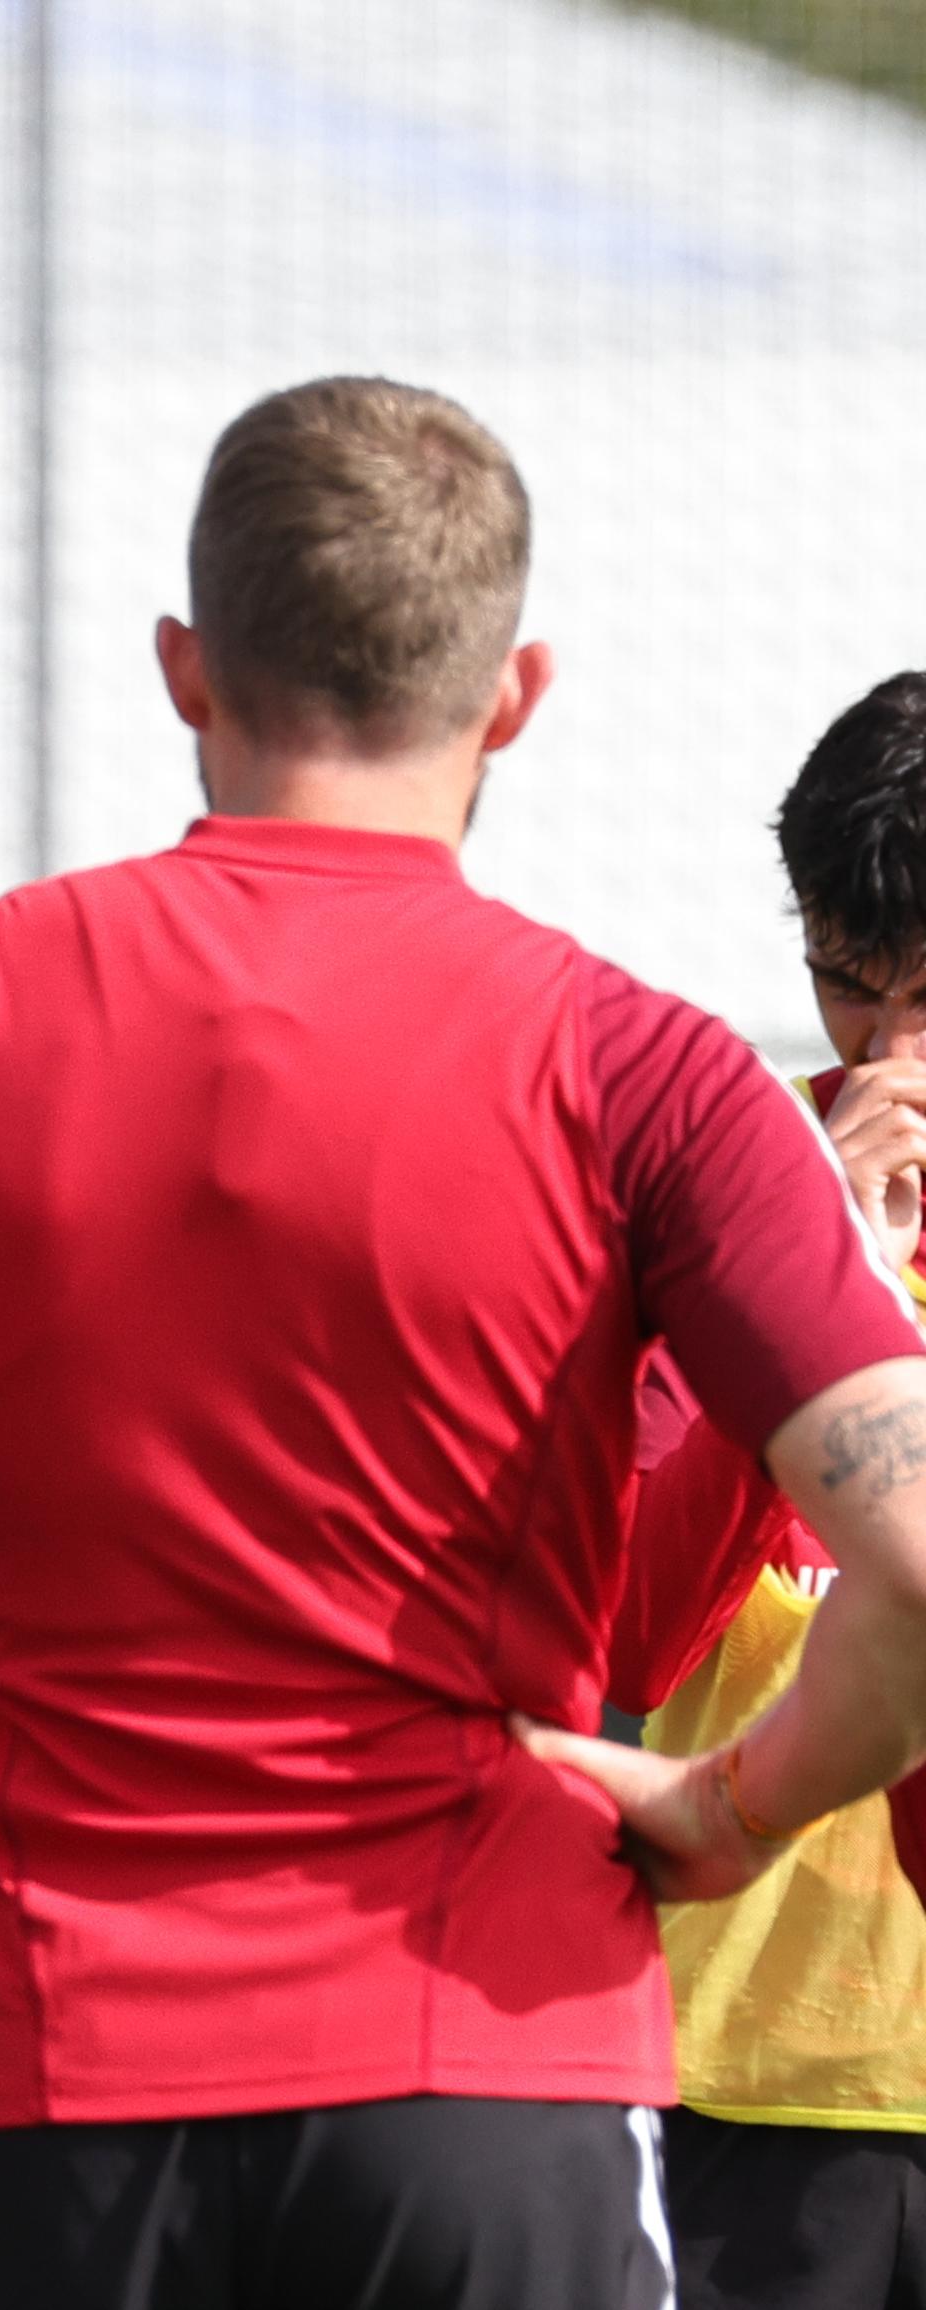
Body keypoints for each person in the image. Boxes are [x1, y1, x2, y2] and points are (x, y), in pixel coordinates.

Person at [0, 379, 926, 2310]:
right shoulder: (637, 1068)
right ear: (514, 695)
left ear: (180, 666)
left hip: (58, 2083)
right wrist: (722, 1809)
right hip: (492, 2068)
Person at [601, 672, 926, 2308]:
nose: (883, 1048)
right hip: (741, 2086)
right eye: (842, 988)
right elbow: (627, 1633)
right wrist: (807, 1295)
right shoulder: (722, 1217)